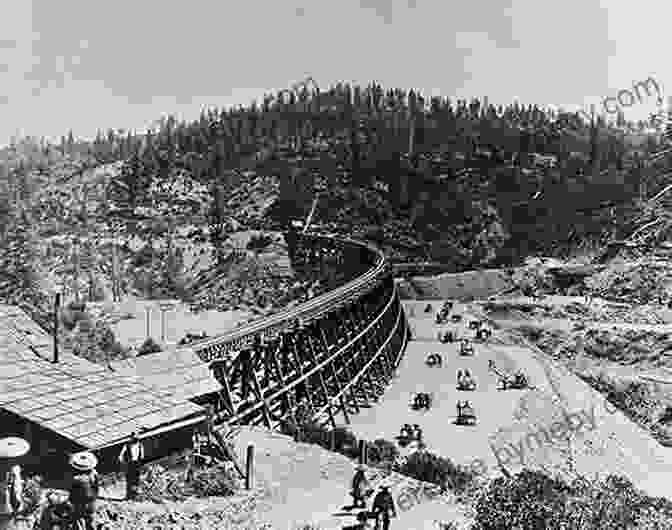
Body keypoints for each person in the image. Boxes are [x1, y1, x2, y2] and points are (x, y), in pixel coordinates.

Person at [68, 451, 99, 530]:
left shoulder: (76, 479)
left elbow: (73, 494)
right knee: (91, 520)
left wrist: (71, 502)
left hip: (80, 504)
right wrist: (94, 497)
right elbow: (96, 488)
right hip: (92, 502)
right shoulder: (94, 474)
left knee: (78, 520)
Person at [118, 432, 145, 500]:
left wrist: (140, 464)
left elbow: (142, 456)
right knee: (129, 480)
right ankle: (128, 496)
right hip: (130, 464)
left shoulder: (140, 445)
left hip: (137, 464)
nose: (136, 440)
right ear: (131, 438)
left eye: (137, 439)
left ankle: (135, 496)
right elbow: (120, 456)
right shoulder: (127, 445)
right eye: (134, 438)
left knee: (136, 480)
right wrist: (124, 462)